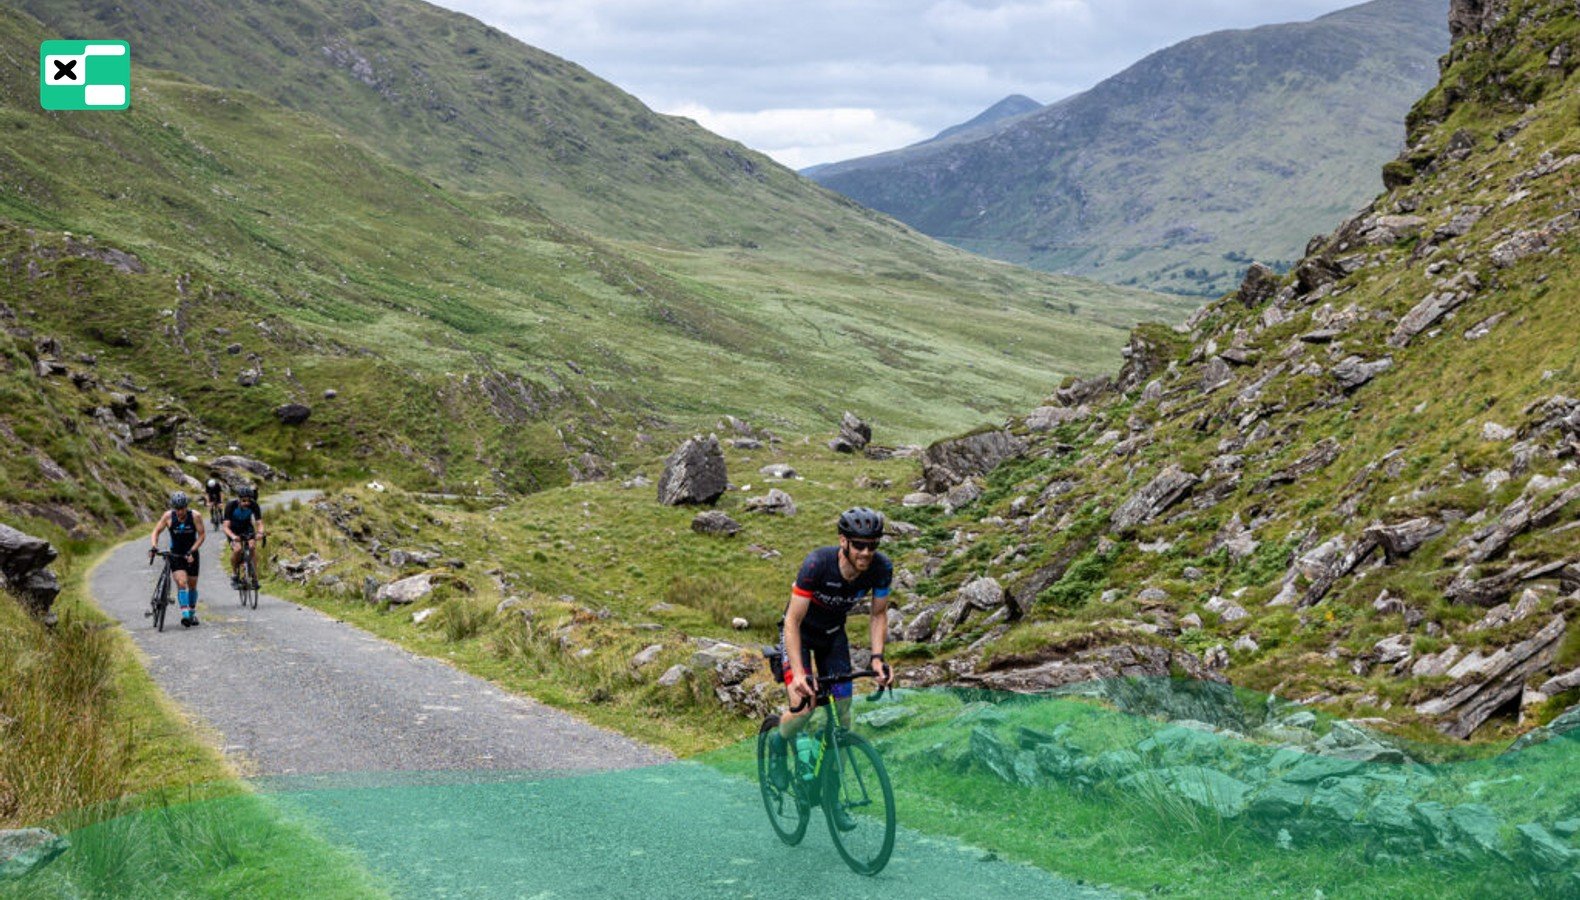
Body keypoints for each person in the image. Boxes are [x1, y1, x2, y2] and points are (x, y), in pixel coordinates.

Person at [768, 507, 894, 813]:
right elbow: (792, 623)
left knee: (844, 719)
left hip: (833, 636)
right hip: (800, 635)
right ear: (843, 541)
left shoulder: (881, 568)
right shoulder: (817, 564)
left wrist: (877, 659)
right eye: (859, 545)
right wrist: (799, 674)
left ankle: (831, 798)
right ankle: (777, 741)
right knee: (805, 708)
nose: (866, 552)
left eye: (873, 545)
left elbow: (878, 614)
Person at [150, 491, 205, 626]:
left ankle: (192, 614)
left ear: (186, 506)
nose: (180, 512)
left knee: (192, 585)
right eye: (177, 509)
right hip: (175, 554)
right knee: (181, 582)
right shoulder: (168, 516)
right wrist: (154, 546)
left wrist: (192, 550)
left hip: (191, 553)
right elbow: (156, 531)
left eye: (182, 508)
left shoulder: (195, 516)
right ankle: (185, 615)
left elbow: (202, 535)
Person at [222, 484, 265, 589]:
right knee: (237, 549)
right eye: (244, 501)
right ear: (239, 499)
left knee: (252, 547)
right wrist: (232, 536)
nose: (247, 503)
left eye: (248, 500)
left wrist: (260, 533)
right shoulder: (230, 505)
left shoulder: (254, 505)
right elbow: (225, 526)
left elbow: (259, 523)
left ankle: (255, 578)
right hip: (233, 530)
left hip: (247, 528)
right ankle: (234, 574)